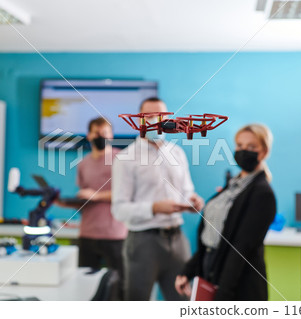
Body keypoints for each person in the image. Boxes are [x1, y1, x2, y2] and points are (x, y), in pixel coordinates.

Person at [112, 97, 204, 301]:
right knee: (138, 303)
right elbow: (119, 209)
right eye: (150, 116)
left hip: (178, 240)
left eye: (161, 116)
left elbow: (188, 190)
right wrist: (154, 208)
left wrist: (193, 201)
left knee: (183, 302)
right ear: (140, 120)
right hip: (143, 241)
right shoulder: (126, 158)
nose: (156, 120)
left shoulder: (177, 153)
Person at [175, 124, 276, 301]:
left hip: (238, 285)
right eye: (239, 145)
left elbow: (240, 249)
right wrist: (188, 271)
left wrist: (222, 296)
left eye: (251, 147)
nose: (244, 151)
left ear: (264, 152)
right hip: (210, 273)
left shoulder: (262, 194)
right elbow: (212, 237)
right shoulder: (231, 187)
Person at [56, 117, 127, 286]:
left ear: (111, 136)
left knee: (120, 285)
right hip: (87, 234)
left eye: (105, 133)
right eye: (97, 133)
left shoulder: (123, 159)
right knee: (85, 284)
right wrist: (64, 203)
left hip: (115, 235)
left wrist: (96, 195)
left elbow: (127, 195)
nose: (101, 136)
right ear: (89, 135)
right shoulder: (83, 163)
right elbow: (85, 199)